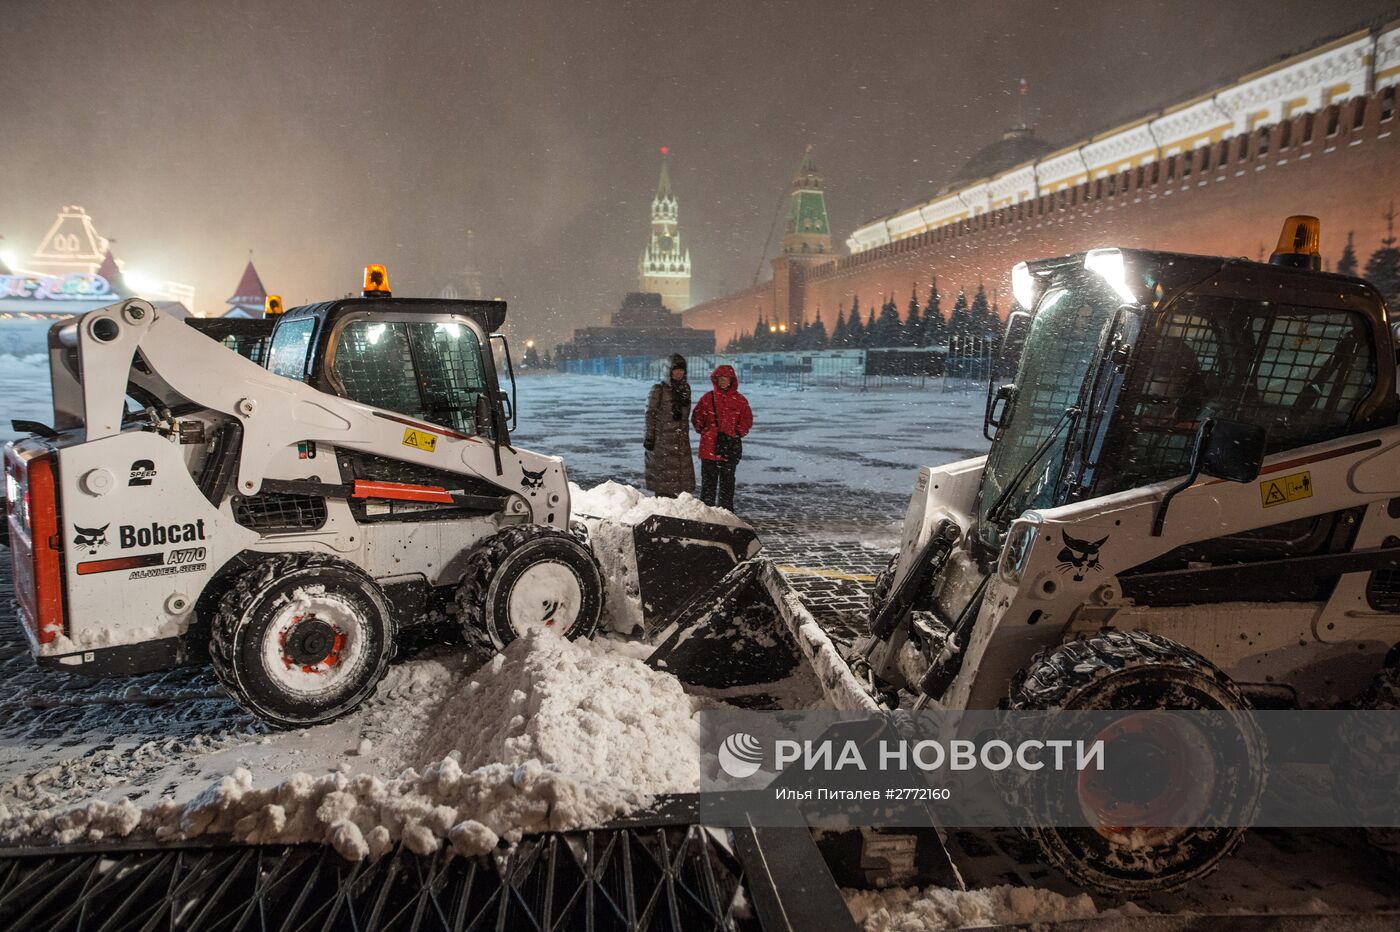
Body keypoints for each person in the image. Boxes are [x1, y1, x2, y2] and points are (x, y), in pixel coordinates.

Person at [691, 364, 752, 511]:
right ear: (716, 380)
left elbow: (746, 421)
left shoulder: (740, 400)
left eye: (726, 379)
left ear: (732, 380)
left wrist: (735, 433)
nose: (723, 382)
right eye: (720, 379)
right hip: (710, 448)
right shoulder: (708, 398)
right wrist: (708, 432)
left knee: (727, 484)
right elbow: (697, 418)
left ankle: (725, 512)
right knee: (708, 485)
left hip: (728, 448)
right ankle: (707, 512)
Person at [643, 354, 695, 497]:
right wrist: (649, 437)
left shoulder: (685, 389)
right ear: (668, 371)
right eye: (675, 370)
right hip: (662, 443)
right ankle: (663, 510)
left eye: (681, 370)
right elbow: (650, 415)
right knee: (663, 484)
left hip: (680, 442)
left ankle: (675, 512)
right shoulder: (658, 390)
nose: (679, 373)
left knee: (679, 482)